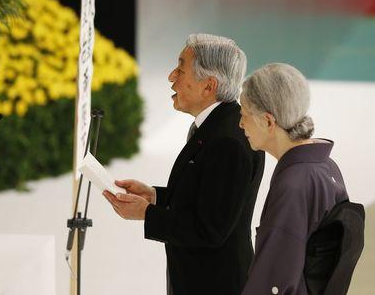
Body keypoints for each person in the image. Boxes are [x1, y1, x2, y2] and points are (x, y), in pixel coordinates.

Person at [103, 34, 265, 295]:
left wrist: (146, 213)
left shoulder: (228, 141)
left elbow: (209, 229)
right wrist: (155, 196)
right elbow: (206, 197)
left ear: (208, 86)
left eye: (181, 69)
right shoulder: (220, 125)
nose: (171, 76)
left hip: (215, 284)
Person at [239, 63, 349, 295]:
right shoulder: (326, 166)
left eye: (244, 115)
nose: (240, 124)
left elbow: (273, 279)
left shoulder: (293, 184)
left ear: (268, 121)